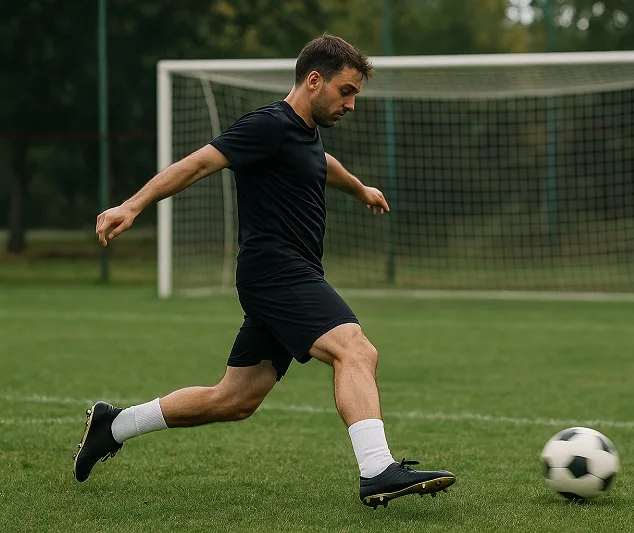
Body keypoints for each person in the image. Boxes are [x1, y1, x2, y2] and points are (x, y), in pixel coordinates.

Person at [74, 34, 455, 508]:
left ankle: (115, 424)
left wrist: (360, 189)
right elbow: (197, 164)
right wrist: (131, 206)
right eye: (346, 91)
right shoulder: (268, 126)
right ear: (314, 81)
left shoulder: (305, 133)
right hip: (277, 272)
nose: (351, 104)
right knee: (356, 349)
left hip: (282, 276)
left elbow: (322, 164)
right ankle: (377, 468)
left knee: (234, 399)